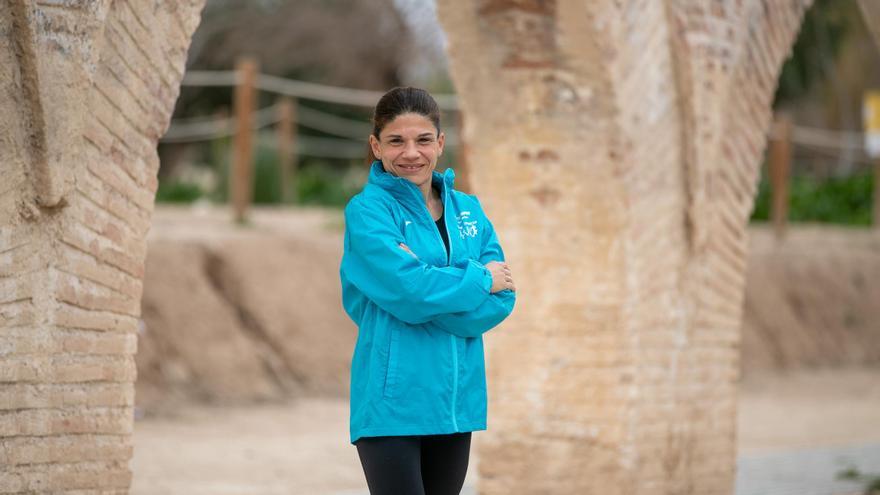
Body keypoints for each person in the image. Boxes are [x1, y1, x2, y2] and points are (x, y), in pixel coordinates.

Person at [339, 86, 517, 495]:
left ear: (440, 142)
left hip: (457, 403)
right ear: (376, 146)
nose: (411, 153)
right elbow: (410, 291)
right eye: (395, 141)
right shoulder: (367, 213)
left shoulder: (469, 210)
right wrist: (477, 280)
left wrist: (433, 294)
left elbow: (503, 298)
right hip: (392, 403)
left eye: (422, 140)